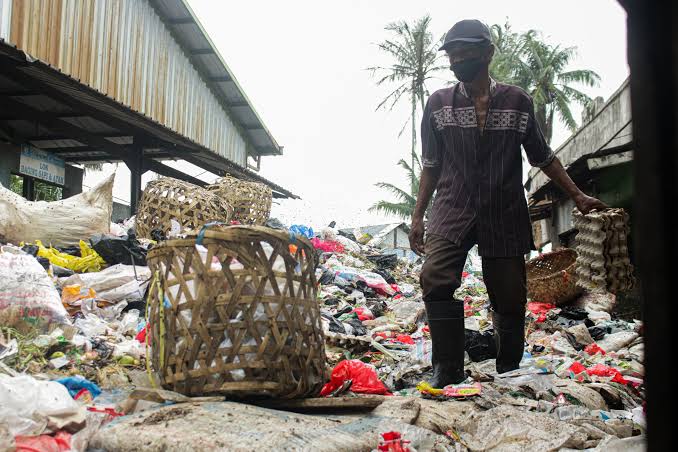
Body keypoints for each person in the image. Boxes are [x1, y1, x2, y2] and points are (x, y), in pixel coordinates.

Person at [409, 19, 607, 387]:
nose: (457, 61)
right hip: (453, 207)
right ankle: (447, 368)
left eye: (465, 52)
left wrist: (578, 195)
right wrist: (418, 215)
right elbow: (432, 165)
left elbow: (542, 157)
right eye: (452, 55)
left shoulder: (517, 102)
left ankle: (508, 369)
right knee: (435, 277)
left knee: (510, 296)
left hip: (504, 209)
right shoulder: (437, 104)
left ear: (487, 53)